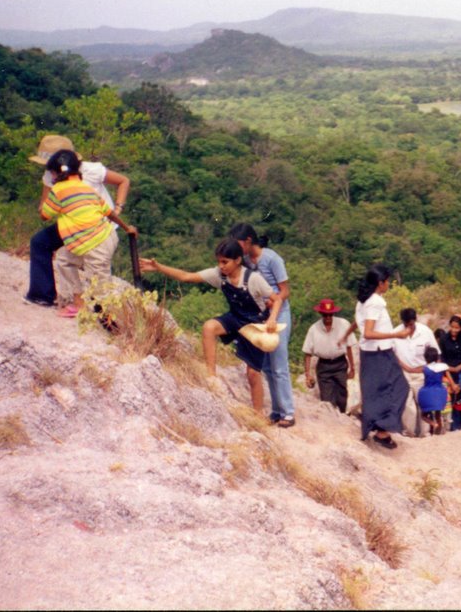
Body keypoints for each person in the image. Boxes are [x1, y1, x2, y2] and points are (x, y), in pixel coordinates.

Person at [139, 238, 281, 414]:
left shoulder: (253, 279)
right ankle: (211, 376)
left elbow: (277, 299)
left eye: (225, 262)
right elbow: (186, 276)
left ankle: (258, 414)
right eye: (219, 261)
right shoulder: (219, 275)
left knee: (253, 373)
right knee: (209, 327)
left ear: (237, 260)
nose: (221, 266)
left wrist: (272, 319)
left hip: (255, 323)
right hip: (235, 317)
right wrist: (158, 267)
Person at [25, 135, 131, 309]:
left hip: (97, 223)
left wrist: (118, 208)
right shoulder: (50, 175)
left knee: (92, 269)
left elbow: (123, 181)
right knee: (40, 243)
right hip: (72, 223)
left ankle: (100, 311)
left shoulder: (92, 170)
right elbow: (44, 206)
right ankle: (42, 295)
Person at [228, 223, 295, 427]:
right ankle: (277, 410)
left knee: (279, 363)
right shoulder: (246, 261)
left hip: (279, 314)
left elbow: (284, 291)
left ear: (248, 241)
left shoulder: (272, 259)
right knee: (266, 365)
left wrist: (272, 307)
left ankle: (288, 412)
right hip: (261, 316)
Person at [355, 264, 413, 449]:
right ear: (381, 283)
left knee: (375, 392)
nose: (388, 284)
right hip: (379, 351)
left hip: (371, 352)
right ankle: (382, 430)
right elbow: (369, 332)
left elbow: (360, 323)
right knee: (399, 388)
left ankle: (377, 427)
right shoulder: (375, 302)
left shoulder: (364, 300)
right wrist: (397, 335)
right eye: (387, 281)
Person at [301, 298, 357, 414]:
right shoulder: (313, 329)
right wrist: (308, 375)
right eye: (325, 315)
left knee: (342, 394)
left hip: (340, 364)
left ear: (333, 314)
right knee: (326, 400)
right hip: (324, 366)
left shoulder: (343, 324)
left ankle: (342, 416)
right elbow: (307, 353)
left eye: (330, 315)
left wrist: (352, 368)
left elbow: (349, 347)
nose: (328, 318)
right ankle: (330, 420)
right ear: (321, 314)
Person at [393, 307, 441, 437]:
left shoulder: (425, 332)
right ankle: (409, 433)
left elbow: (436, 354)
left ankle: (425, 433)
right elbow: (390, 353)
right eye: (406, 324)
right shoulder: (396, 333)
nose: (409, 327)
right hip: (404, 374)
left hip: (422, 373)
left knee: (423, 404)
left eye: (411, 324)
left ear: (415, 320)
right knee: (408, 407)